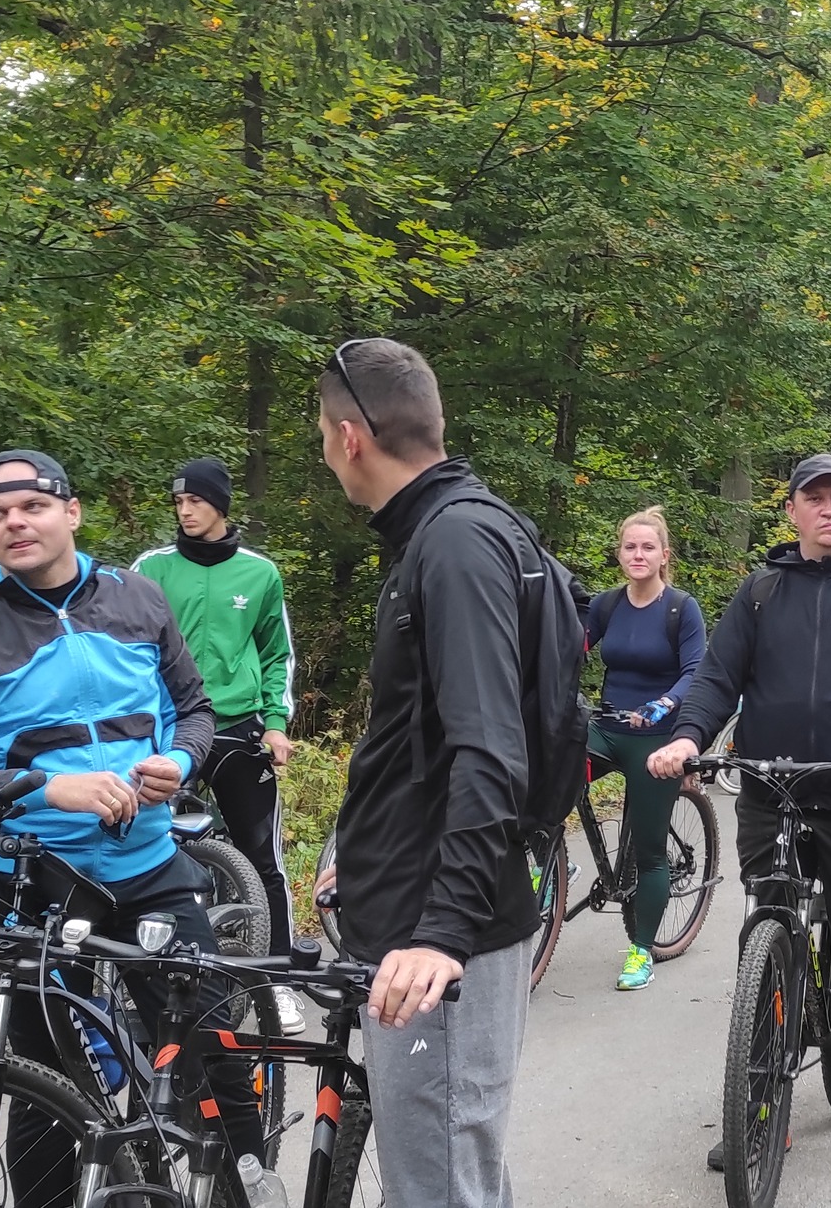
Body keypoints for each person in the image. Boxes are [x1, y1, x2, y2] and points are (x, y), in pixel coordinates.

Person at [0, 449, 261, 1193]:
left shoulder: (139, 599)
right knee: (41, 1096)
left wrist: (183, 763)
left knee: (215, 1050)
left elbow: (194, 710)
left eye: (30, 505)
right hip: (29, 882)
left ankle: (247, 1183)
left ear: (72, 512)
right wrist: (44, 785)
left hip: (148, 869)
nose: (14, 522)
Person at [654, 453, 831, 1181]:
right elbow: (717, 678)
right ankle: (756, 1099)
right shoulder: (759, 593)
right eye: (814, 498)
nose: (828, 510)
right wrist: (688, 737)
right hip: (769, 791)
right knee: (765, 932)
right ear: (791, 511)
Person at [311, 337, 537, 1207]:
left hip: (439, 936)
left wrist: (440, 933)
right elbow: (414, 737)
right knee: (454, 1171)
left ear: (349, 437)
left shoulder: (453, 545)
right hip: (414, 899)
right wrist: (357, 845)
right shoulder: (451, 532)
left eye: (320, 436)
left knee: (440, 1182)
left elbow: (489, 748)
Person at [132, 457, 299, 954]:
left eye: (196, 501)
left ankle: (279, 974)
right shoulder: (151, 568)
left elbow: (276, 654)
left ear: (221, 505)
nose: (185, 511)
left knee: (261, 858)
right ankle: (150, 970)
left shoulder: (260, 574)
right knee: (151, 852)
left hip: (237, 728)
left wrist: (274, 723)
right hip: (170, 731)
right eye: (179, 501)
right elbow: (123, 649)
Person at [583, 505, 707, 991]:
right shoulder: (606, 605)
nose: (638, 554)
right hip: (609, 728)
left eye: (647, 547)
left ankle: (641, 951)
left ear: (663, 556)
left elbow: (697, 668)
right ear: (620, 554)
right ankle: (551, 861)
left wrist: (667, 704)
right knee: (549, 780)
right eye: (630, 547)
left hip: (657, 739)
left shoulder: (681, 607)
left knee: (651, 851)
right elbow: (570, 647)